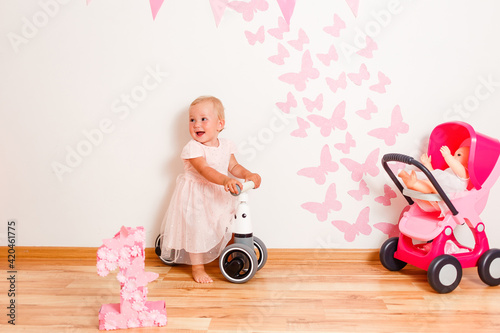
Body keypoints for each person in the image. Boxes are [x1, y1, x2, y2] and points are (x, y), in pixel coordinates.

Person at [160, 96, 262, 283]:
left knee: (227, 224)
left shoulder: (226, 145)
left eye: (203, 119)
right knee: (197, 229)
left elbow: (234, 167)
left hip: (219, 194)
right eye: (192, 120)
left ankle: (234, 254)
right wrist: (225, 180)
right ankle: (197, 267)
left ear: (220, 124)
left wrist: (248, 174)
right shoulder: (193, 148)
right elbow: (205, 170)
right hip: (197, 196)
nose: (196, 124)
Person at [398, 143, 470, 195]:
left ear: (468, 162)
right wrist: (427, 164)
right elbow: (434, 175)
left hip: (449, 195)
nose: (453, 157)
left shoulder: (464, 172)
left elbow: (455, 164)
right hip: (440, 189)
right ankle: (410, 181)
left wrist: (448, 155)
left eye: (459, 155)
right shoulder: (450, 171)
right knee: (429, 184)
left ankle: (413, 183)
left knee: (431, 186)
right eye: (454, 155)